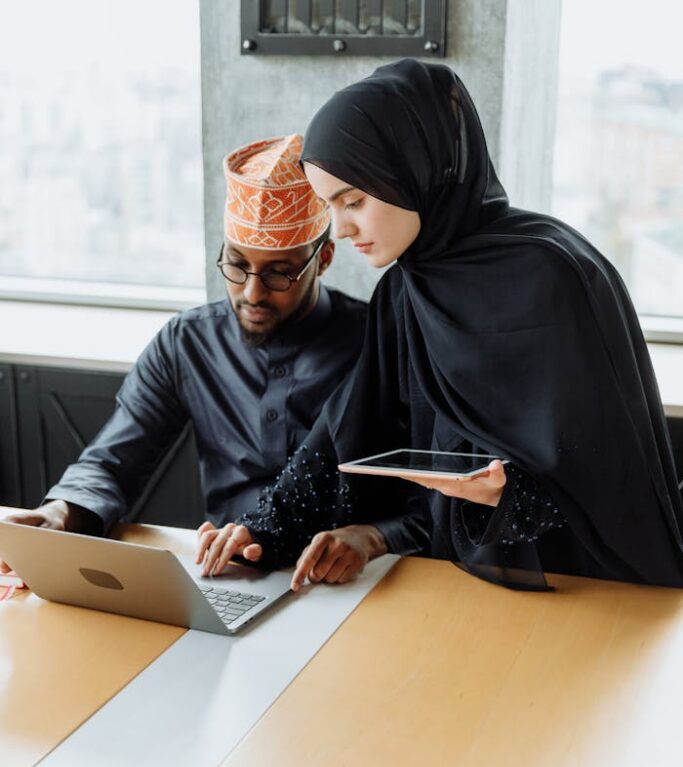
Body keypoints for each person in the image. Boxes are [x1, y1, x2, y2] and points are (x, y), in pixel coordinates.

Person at [198, 59, 683, 591]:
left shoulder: (553, 274)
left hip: (597, 592)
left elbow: (613, 476)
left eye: (354, 200)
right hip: (466, 588)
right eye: (329, 205)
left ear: (414, 167)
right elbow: (346, 428)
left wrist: (509, 495)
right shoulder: (407, 288)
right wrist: (263, 531)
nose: (342, 227)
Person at [0, 133, 406, 582]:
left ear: (323, 258)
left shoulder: (379, 343)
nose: (252, 294)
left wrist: (372, 536)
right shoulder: (187, 342)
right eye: (236, 265)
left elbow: (428, 494)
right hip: (228, 578)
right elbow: (114, 460)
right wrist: (60, 514)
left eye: (279, 274)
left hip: (356, 581)